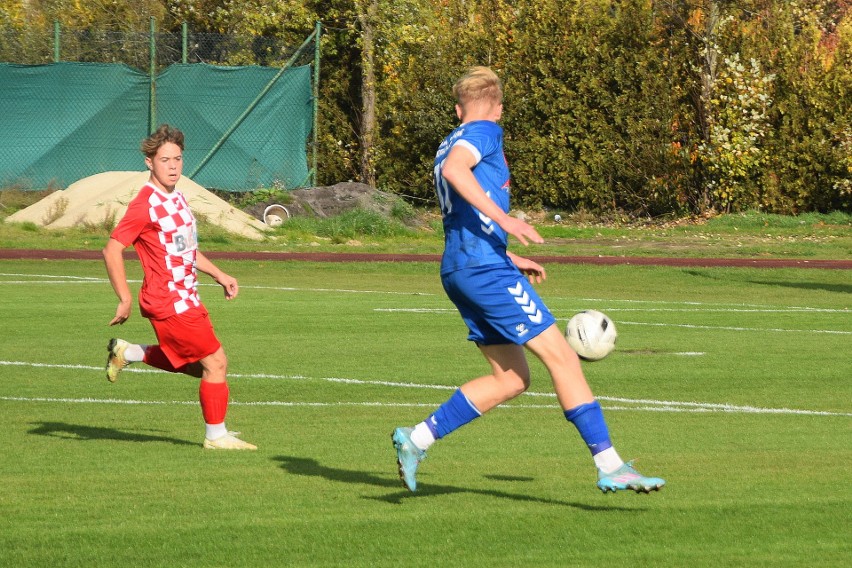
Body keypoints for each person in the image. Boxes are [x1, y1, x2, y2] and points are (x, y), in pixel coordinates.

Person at [391, 67, 664, 493]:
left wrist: (509, 254)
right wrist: (507, 221)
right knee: (563, 358)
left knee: (513, 379)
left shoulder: (447, 143)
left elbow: (463, 212)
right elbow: (457, 174)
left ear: (458, 106)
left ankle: (417, 438)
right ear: (497, 108)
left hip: (462, 268)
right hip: (483, 270)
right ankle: (610, 465)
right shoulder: (484, 132)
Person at [102, 124, 256, 451]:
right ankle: (216, 436)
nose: (173, 166)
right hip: (168, 301)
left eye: (178, 159)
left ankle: (126, 352)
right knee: (215, 363)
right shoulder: (145, 204)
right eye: (165, 160)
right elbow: (112, 248)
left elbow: (185, 249)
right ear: (149, 162)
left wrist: (219, 274)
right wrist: (124, 298)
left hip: (187, 297)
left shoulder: (177, 197)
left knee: (198, 366)